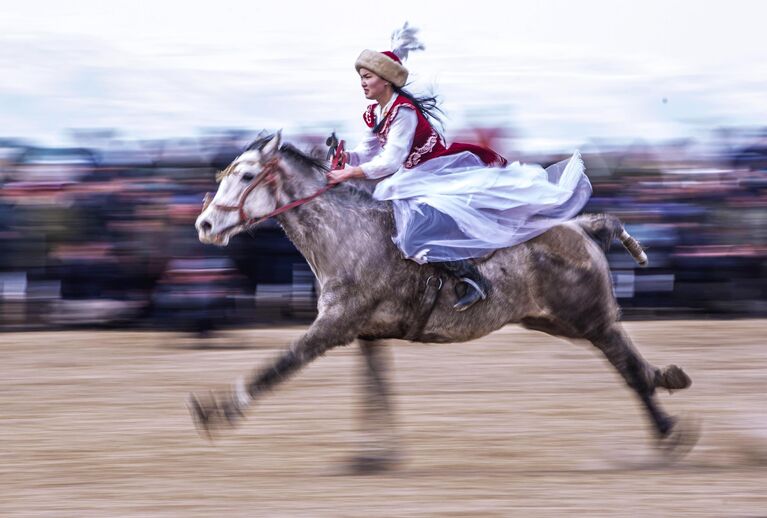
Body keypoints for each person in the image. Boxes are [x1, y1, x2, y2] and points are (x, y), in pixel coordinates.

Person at [327, 24, 592, 311]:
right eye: (361, 78)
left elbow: (390, 160)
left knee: (413, 233)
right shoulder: (377, 112)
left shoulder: (403, 111)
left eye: (367, 77)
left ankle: (474, 280)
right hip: (414, 176)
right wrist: (348, 159)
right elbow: (368, 151)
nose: (362, 83)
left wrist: (350, 173)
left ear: (386, 80)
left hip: (435, 173)